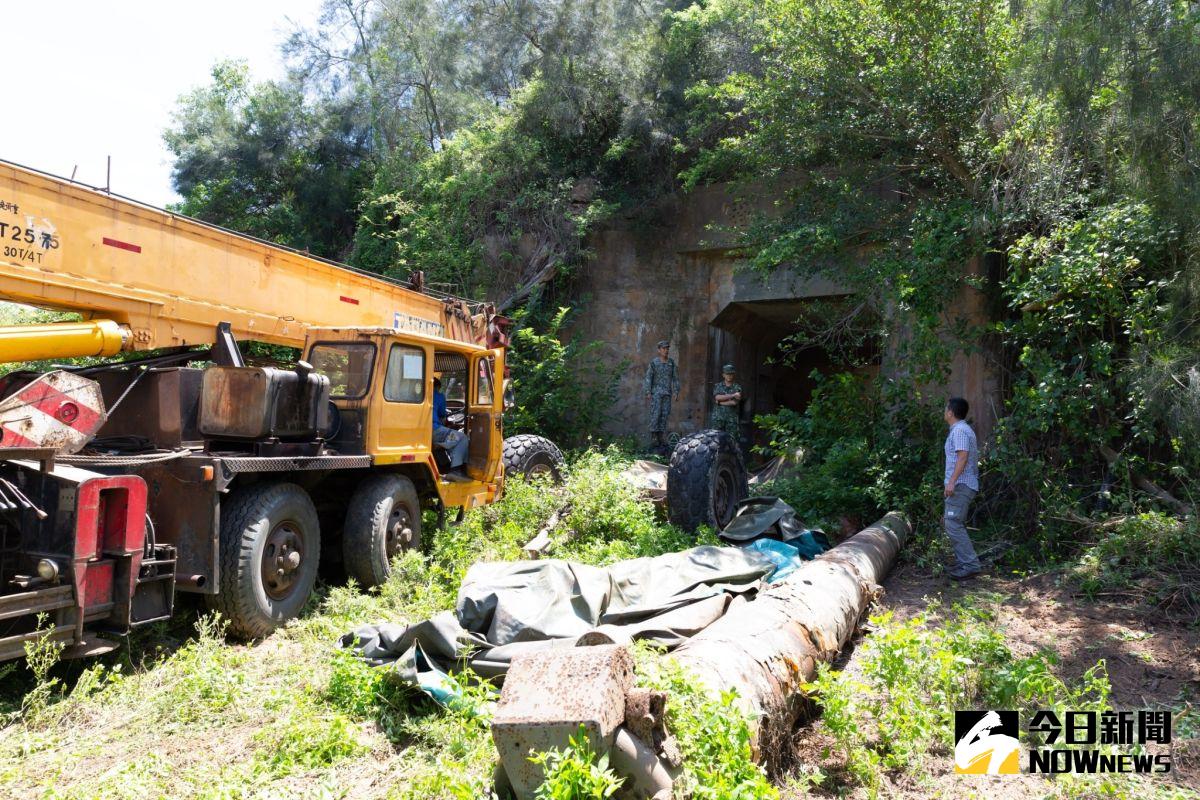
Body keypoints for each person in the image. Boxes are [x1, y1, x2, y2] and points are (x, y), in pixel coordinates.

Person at [943, 396, 981, 580]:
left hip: (961, 485)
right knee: (953, 522)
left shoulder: (959, 430)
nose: (944, 411)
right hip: (962, 484)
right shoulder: (962, 429)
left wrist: (951, 482)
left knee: (953, 523)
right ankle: (964, 562)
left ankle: (970, 565)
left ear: (951, 412)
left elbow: (963, 456)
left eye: (946, 409)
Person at [642, 340, 680, 450]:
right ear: (659, 350)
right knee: (656, 414)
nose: (666, 350)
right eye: (663, 348)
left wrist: (676, 391)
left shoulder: (671, 363)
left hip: (667, 393)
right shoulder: (654, 363)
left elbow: (675, 378)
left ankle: (661, 437)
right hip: (656, 394)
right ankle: (654, 437)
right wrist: (648, 391)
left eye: (667, 348)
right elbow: (649, 377)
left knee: (665, 415)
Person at [433, 377, 470, 480]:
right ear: (437, 387)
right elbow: (442, 415)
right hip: (434, 430)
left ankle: (444, 467)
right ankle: (456, 471)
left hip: (420, 431)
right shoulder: (438, 396)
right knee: (461, 438)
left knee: (449, 438)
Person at [711, 364, 742, 445]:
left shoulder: (737, 387)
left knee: (732, 441)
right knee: (715, 440)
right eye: (727, 374)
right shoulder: (718, 386)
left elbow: (734, 402)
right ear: (723, 375)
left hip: (731, 420)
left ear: (733, 375)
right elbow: (717, 397)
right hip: (718, 418)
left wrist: (720, 403)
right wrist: (733, 395)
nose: (729, 376)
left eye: (731, 374)